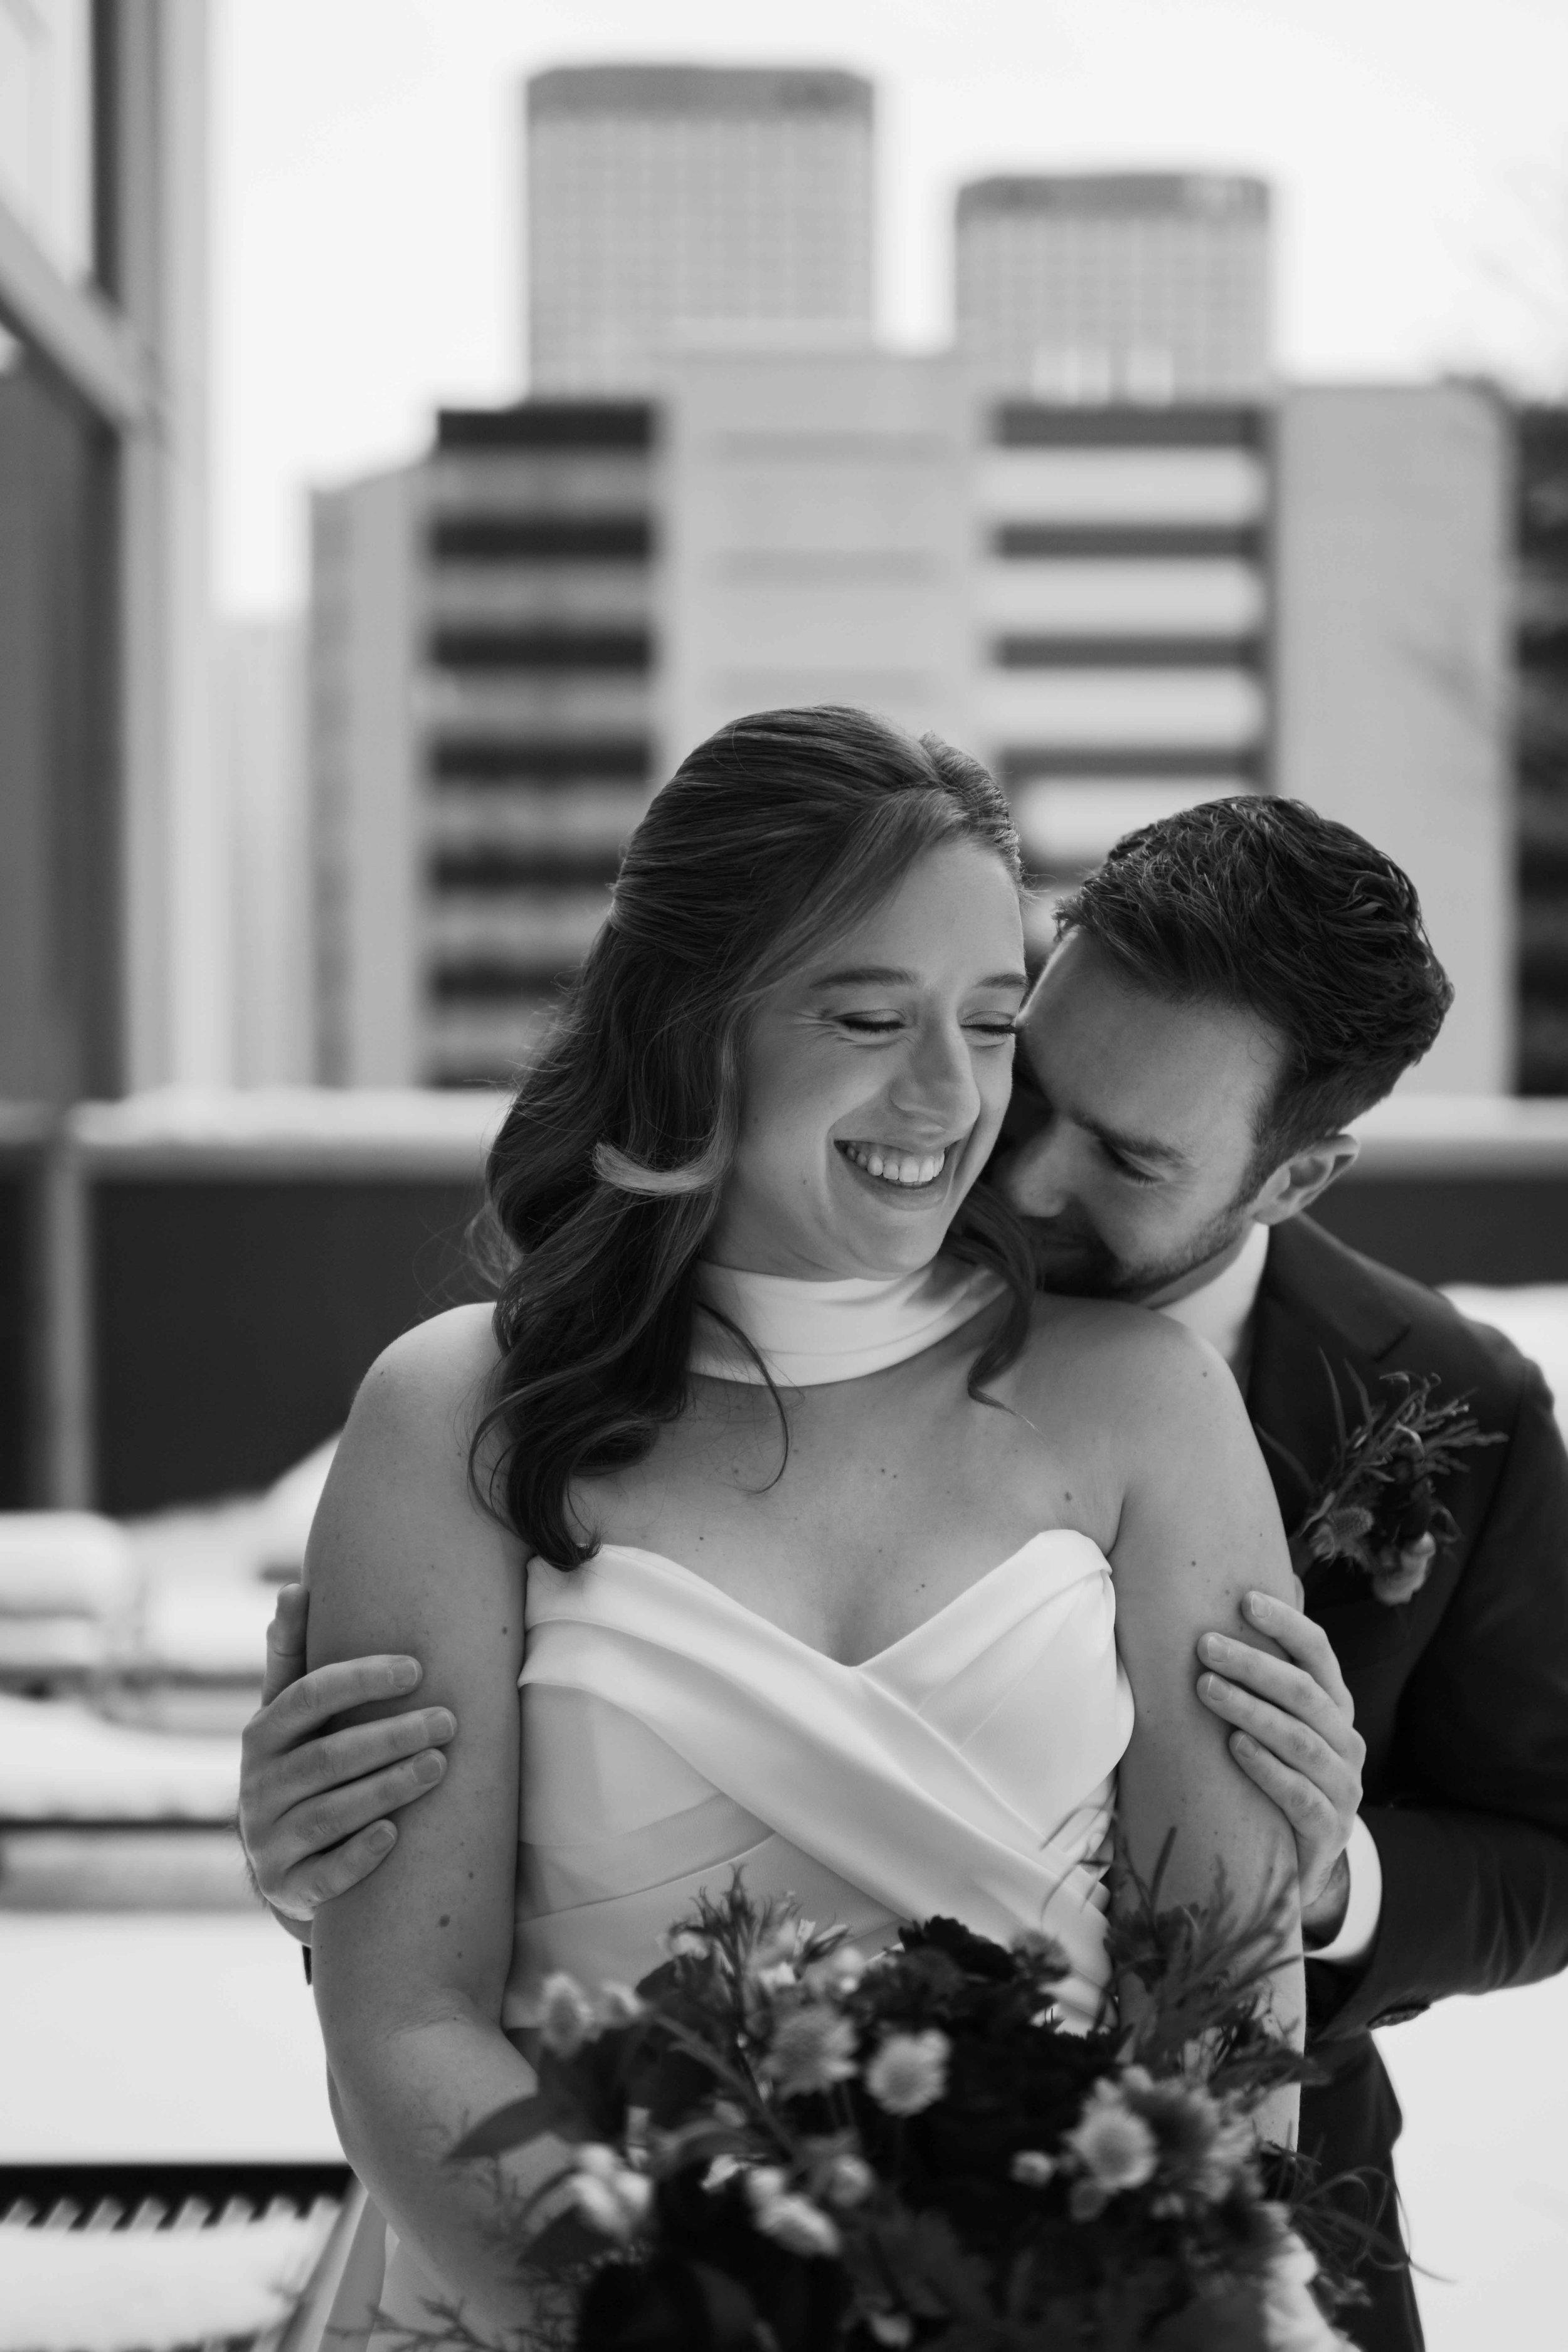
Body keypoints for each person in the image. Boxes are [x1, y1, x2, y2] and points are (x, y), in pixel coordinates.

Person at [289, 710, 1303, 2344]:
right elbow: (406, 2023)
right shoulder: (454, 1416)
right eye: (867, 1016)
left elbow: (1227, 2023)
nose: (949, 1093)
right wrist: (656, 2317)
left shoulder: (1146, 1407)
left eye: (990, 1023)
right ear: (694, 1028)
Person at [987, 797, 1568, 2352]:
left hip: (1275, 2228)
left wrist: (1326, 1880)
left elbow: (1547, 1852)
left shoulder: (1454, 1403)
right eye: (1027, 1083)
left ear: (1294, 1179)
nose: (1023, 1181)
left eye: (1126, 1158)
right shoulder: (833, 1262)